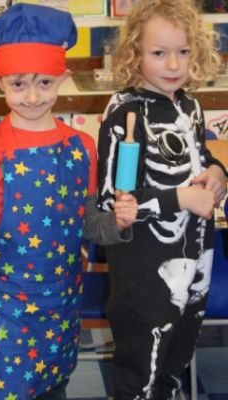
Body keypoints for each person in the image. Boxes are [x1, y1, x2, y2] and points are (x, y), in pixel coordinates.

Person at [0, 3, 137, 399]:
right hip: (8, 309)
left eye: (45, 83)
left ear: (63, 78)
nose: (32, 96)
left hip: (62, 304)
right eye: (18, 84)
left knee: (54, 386)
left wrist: (117, 223)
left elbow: (89, 224)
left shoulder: (82, 147)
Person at [92, 0, 228, 398]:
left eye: (183, 51)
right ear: (135, 53)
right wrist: (181, 199)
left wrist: (218, 172)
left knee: (175, 364)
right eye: (158, 53)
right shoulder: (124, 114)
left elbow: (200, 156)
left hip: (196, 263)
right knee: (141, 374)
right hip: (145, 274)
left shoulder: (189, 105)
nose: (173, 64)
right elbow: (114, 202)